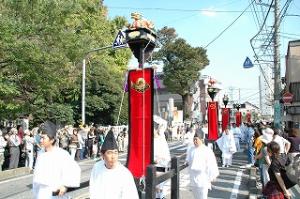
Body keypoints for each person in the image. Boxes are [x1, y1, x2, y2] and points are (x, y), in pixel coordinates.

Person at [32, 121, 81, 199]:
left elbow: (74, 169)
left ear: (51, 140)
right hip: (41, 193)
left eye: (43, 138)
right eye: (40, 137)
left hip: (56, 192)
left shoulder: (61, 154)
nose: (41, 140)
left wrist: (65, 185)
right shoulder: (41, 154)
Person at [89, 130, 139, 199]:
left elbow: (130, 195)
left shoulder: (124, 173)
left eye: (115, 153)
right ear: (102, 155)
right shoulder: (97, 167)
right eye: (109, 153)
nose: (113, 156)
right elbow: (93, 189)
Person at [185, 130, 219, 199]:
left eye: (196, 140)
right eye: (194, 140)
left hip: (203, 177)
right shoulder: (191, 149)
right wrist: (186, 162)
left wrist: (213, 175)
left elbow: (211, 164)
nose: (194, 141)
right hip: (193, 177)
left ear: (201, 140)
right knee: (196, 196)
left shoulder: (207, 150)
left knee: (203, 196)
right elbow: (188, 159)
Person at [153, 118, 171, 199]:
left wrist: (158, 160)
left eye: (152, 129)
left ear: (156, 129)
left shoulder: (161, 140)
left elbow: (166, 156)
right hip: (150, 167)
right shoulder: (148, 140)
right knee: (153, 189)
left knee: (159, 188)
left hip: (160, 166)